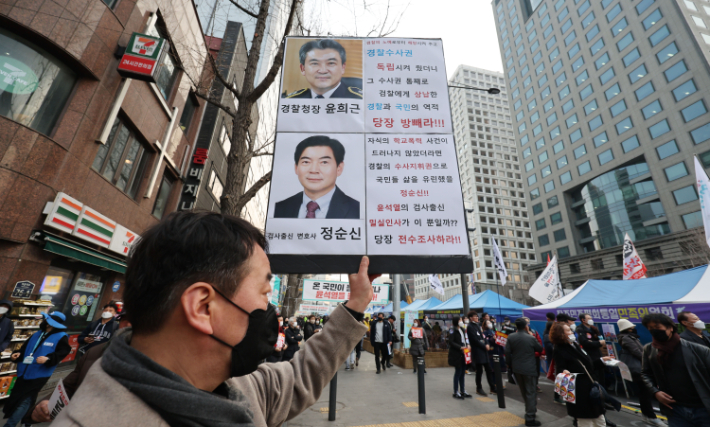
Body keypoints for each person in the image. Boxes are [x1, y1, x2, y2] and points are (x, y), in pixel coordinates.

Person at [51, 211, 372, 427]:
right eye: (264, 290)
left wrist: (355, 305)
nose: (269, 306)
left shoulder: (237, 385)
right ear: (203, 306)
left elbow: (301, 375)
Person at [27, 313, 131, 424]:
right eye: (125, 319)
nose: (128, 324)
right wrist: (44, 405)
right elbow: (69, 387)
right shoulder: (94, 352)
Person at [640, 313, 710, 426]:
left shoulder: (699, 350)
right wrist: (655, 392)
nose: (654, 331)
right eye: (651, 328)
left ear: (670, 327)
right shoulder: (649, 350)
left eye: (657, 327)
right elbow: (645, 373)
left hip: (703, 408)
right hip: (675, 410)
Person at [3, 312, 71, 427]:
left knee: (25, 400)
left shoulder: (61, 336)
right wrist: (16, 354)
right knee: (19, 398)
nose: (44, 320)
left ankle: (10, 425)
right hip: (23, 372)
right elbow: (24, 349)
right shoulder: (37, 334)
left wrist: (48, 359)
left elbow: (63, 352)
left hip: (39, 374)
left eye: (46, 319)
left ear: (51, 323)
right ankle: (27, 422)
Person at [274, 136, 360, 219]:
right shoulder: (279, 209)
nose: (314, 170)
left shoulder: (357, 210)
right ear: (296, 168)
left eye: (324, 162)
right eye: (306, 162)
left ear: (339, 168)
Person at [551, 322, 608, 427]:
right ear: (560, 334)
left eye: (570, 329)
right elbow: (560, 367)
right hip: (579, 390)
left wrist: (601, 361)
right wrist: (564, 371)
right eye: (568, 330)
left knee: (599, 419)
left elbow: (588, 366)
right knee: (585, 420)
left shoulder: (575, 345)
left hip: (590, 386)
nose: (571, 332)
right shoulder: (560, 349)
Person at [616, 319, 665, 426]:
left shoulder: (628, 337)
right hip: (639, 369)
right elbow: (637, 352)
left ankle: (647, 415)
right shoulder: (627, 338)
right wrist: (649, 361)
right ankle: (650, 416)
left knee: (645, 392)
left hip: (639, 368)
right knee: (645, 392)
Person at [282, 39, 363, 99]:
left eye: (331, 63)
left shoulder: (359, 99)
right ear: (303, 69)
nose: (323, 71)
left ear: (343, 68)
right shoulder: (291, 101)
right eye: (314, 63)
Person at [505, 318, 543, 427]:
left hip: (517, 368)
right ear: (526, 326)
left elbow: (507, 352)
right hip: (529, 368)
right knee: (531, 392)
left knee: (523, 391)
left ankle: (530, 410)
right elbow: (539, 349)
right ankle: (530, 417)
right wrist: (532, 336)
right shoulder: (530, 337)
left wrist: (509, 364)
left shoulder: (511, 337)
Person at [466, 311, 496, 396]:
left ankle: (492, 387)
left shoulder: (478, 326)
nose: (476, 317)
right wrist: (484, 345)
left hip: (484, 352)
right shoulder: (470, 327)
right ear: (471, 318)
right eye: (475, 316)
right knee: (479, 371)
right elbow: (474, 340)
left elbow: (483, 337)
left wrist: (487, 343)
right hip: (478, 352)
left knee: (489, 369)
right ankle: (479, 388)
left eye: (476, 316)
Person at [448, 316, 472, 400]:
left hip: (464, 354)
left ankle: (462, 390)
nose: (462, 321)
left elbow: (465, 339)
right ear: (456, 321)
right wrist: (460, 347)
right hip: (456, 354)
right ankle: (456, 391)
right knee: (458, 372)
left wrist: (467, 345)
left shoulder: (462, 329)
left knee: (462, 373)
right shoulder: (452, 329)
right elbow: (450, 342)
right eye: (461, 320)